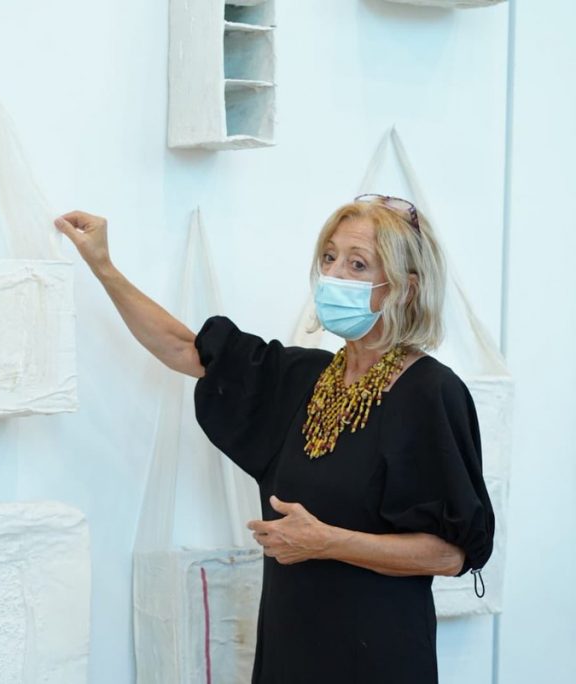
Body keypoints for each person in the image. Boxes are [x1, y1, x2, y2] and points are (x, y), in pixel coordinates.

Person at [54, 195, 494, 684]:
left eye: (358, 264)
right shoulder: (304, 377)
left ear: (405, 289)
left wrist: (326, 541)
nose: (333, 275)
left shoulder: (431, 392)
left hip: (377, 655)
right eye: (329, 257)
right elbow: (182, 348)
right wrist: (104, 267)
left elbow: (448, 554)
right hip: (292, 645)